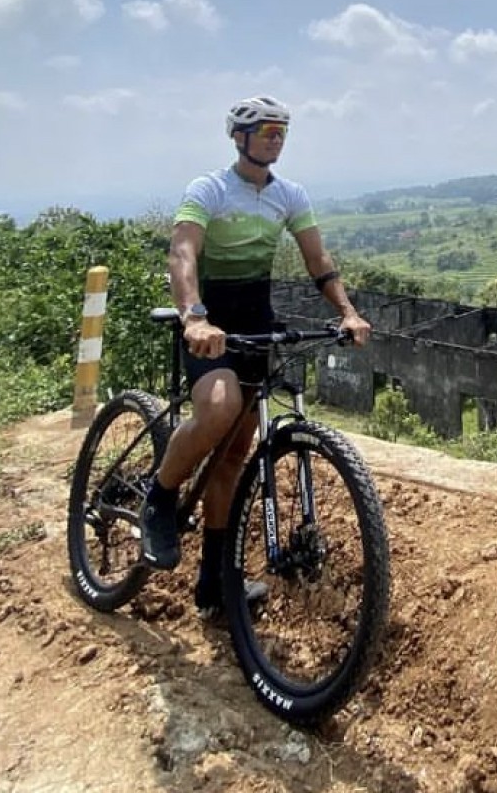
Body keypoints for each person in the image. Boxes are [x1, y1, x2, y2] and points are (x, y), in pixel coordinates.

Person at [139, 95, 371, 618]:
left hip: (254, 329)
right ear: (239, 136)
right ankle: (159, 496)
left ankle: (215, 583)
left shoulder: (289, 195)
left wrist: (347, 312)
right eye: (267, 129)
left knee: (233, 454)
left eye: (283, 131)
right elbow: (182, 253)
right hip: (209, 327)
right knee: (218, 411)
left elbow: (319, 260)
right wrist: (194, 316)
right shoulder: (210, 190)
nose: (276, 138)